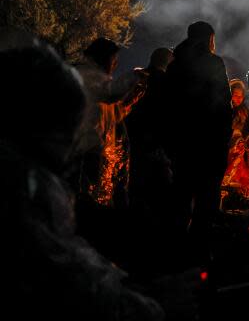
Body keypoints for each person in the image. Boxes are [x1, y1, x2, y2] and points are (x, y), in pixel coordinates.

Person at [0, 41, 164, 319]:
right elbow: (66, 277)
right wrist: (152, 307)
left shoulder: (33, 177)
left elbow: (114, 110)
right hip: (90, 156)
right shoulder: (26, 189)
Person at [165, 21, 232, 263]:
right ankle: (199, 254)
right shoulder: (213, 63)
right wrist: (224, 140)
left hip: (181, 146)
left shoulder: (175, 65)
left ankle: (176, 252)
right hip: (208, 145)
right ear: (208, 39)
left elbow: (168, 109)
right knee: (206, 201)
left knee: (181, 198)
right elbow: (224, 107)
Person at [72, 38, 146, 211]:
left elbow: (112, 113)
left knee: (96, 196)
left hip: (95, 149)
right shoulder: (84, 73)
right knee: (84, 200)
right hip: (83, 150)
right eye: (113, 59)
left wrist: (130, 102)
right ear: (104, 57)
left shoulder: (96, 77)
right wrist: (135, 75)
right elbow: (110, 94)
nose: (115, 64)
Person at [125, 48, 175, 228]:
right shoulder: (165, 82)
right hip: (154, 144)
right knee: (157, 190)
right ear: (167, 63)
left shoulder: (137, 76)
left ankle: (132, 224)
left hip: (132, 139)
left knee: (134, 185)